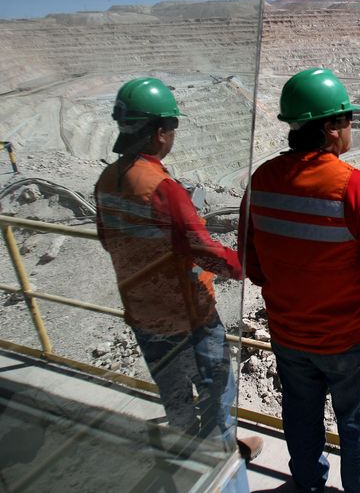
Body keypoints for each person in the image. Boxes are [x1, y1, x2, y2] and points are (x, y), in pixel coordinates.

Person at [238, 68, 360, 493]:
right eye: (347, 119)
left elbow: (252, 262)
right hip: (347, 338)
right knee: (359, 427)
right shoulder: (357, 189)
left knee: (301, 416)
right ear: (330, 128)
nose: (351, 127)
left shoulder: (262, 180)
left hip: (288, 333)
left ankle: (309, 485)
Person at [94, 77, 262, 473]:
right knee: (216, 389)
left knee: (174, 395)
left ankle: (185, 461)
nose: (172, 136)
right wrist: (243, 267)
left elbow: (107, 240)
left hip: (143, 312)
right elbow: (202, 248)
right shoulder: (160, 186)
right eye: (172, 127)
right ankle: (219, 465)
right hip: (188, 317)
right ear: (157, 133)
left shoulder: (106, 181)